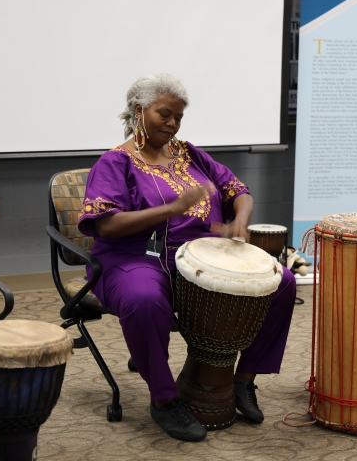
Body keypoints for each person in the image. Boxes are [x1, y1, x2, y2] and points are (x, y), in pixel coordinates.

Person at [78, 74, 297, 442]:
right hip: (132, 256)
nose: (173, 124)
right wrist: (175, 208)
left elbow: (238, 191)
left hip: (197, 255)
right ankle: (164, 400)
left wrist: (240, 223)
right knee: (143, 300)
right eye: (165, 114)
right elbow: (107, 226)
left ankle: (244, 380)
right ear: (138, 111)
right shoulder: (116, 163)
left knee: (282, 283)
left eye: (178, 117)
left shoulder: (189, 153)